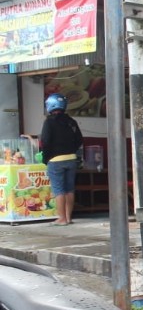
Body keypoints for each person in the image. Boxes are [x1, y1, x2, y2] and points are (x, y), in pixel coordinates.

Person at [40, 92, 84, 226]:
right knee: (69, 189)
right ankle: (69, 218)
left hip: (55, 160)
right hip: (71, 159)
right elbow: (79, 139)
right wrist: (71, 151)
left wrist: (45, 157)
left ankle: (62, 219)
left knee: (59, 190)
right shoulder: (71, 121)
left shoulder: (49, 122)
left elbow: (45, 142)